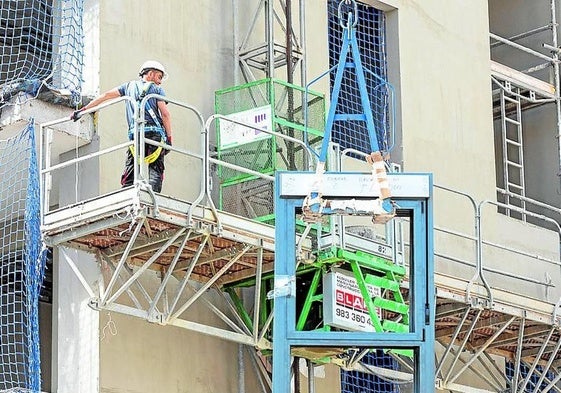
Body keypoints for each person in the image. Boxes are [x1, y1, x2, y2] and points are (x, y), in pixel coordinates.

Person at [71, 60, 173, 193]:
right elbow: (165, 114)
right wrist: (169, 138)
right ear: (151, 74)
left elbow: (106, 96)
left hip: (135, 136)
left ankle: (127, 195)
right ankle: (153, 201)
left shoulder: (128, 87)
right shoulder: (156, 89)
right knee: (155, 170)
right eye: (159, 77)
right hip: (154, 134)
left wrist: (83, 110)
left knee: (130, 170)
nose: (160, 81)